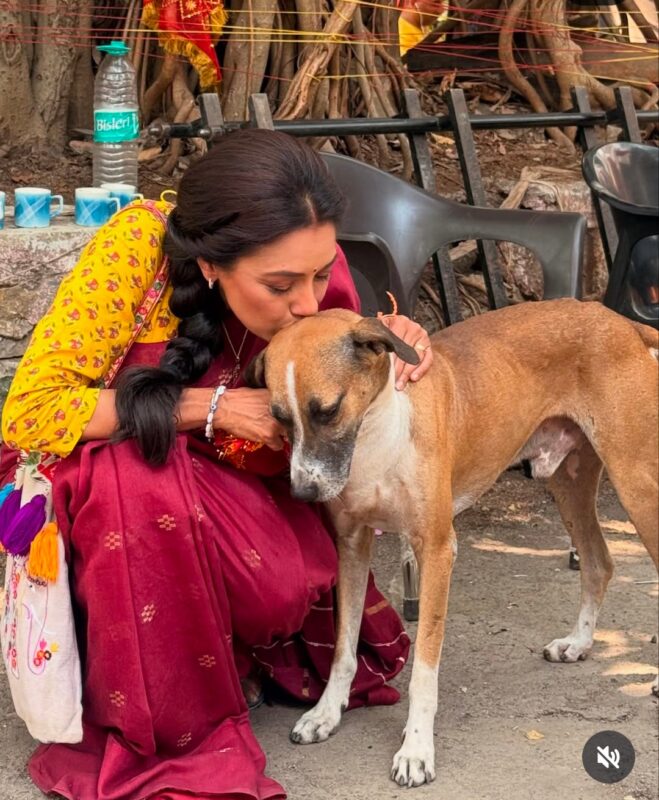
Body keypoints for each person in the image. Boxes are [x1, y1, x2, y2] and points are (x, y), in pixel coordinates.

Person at [0, 129, 433, 800]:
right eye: (281, 285)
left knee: (285, 587)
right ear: (209, 266)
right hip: (97, 468)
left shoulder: (312, 285)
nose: (307, 305)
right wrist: (210, 408)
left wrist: (398, 341)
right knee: (139, 489)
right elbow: (30, 413)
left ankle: (222, 653)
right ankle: (159, 719)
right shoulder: (135, 249)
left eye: (319, 275)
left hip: (232, 469)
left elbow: (343, 358)